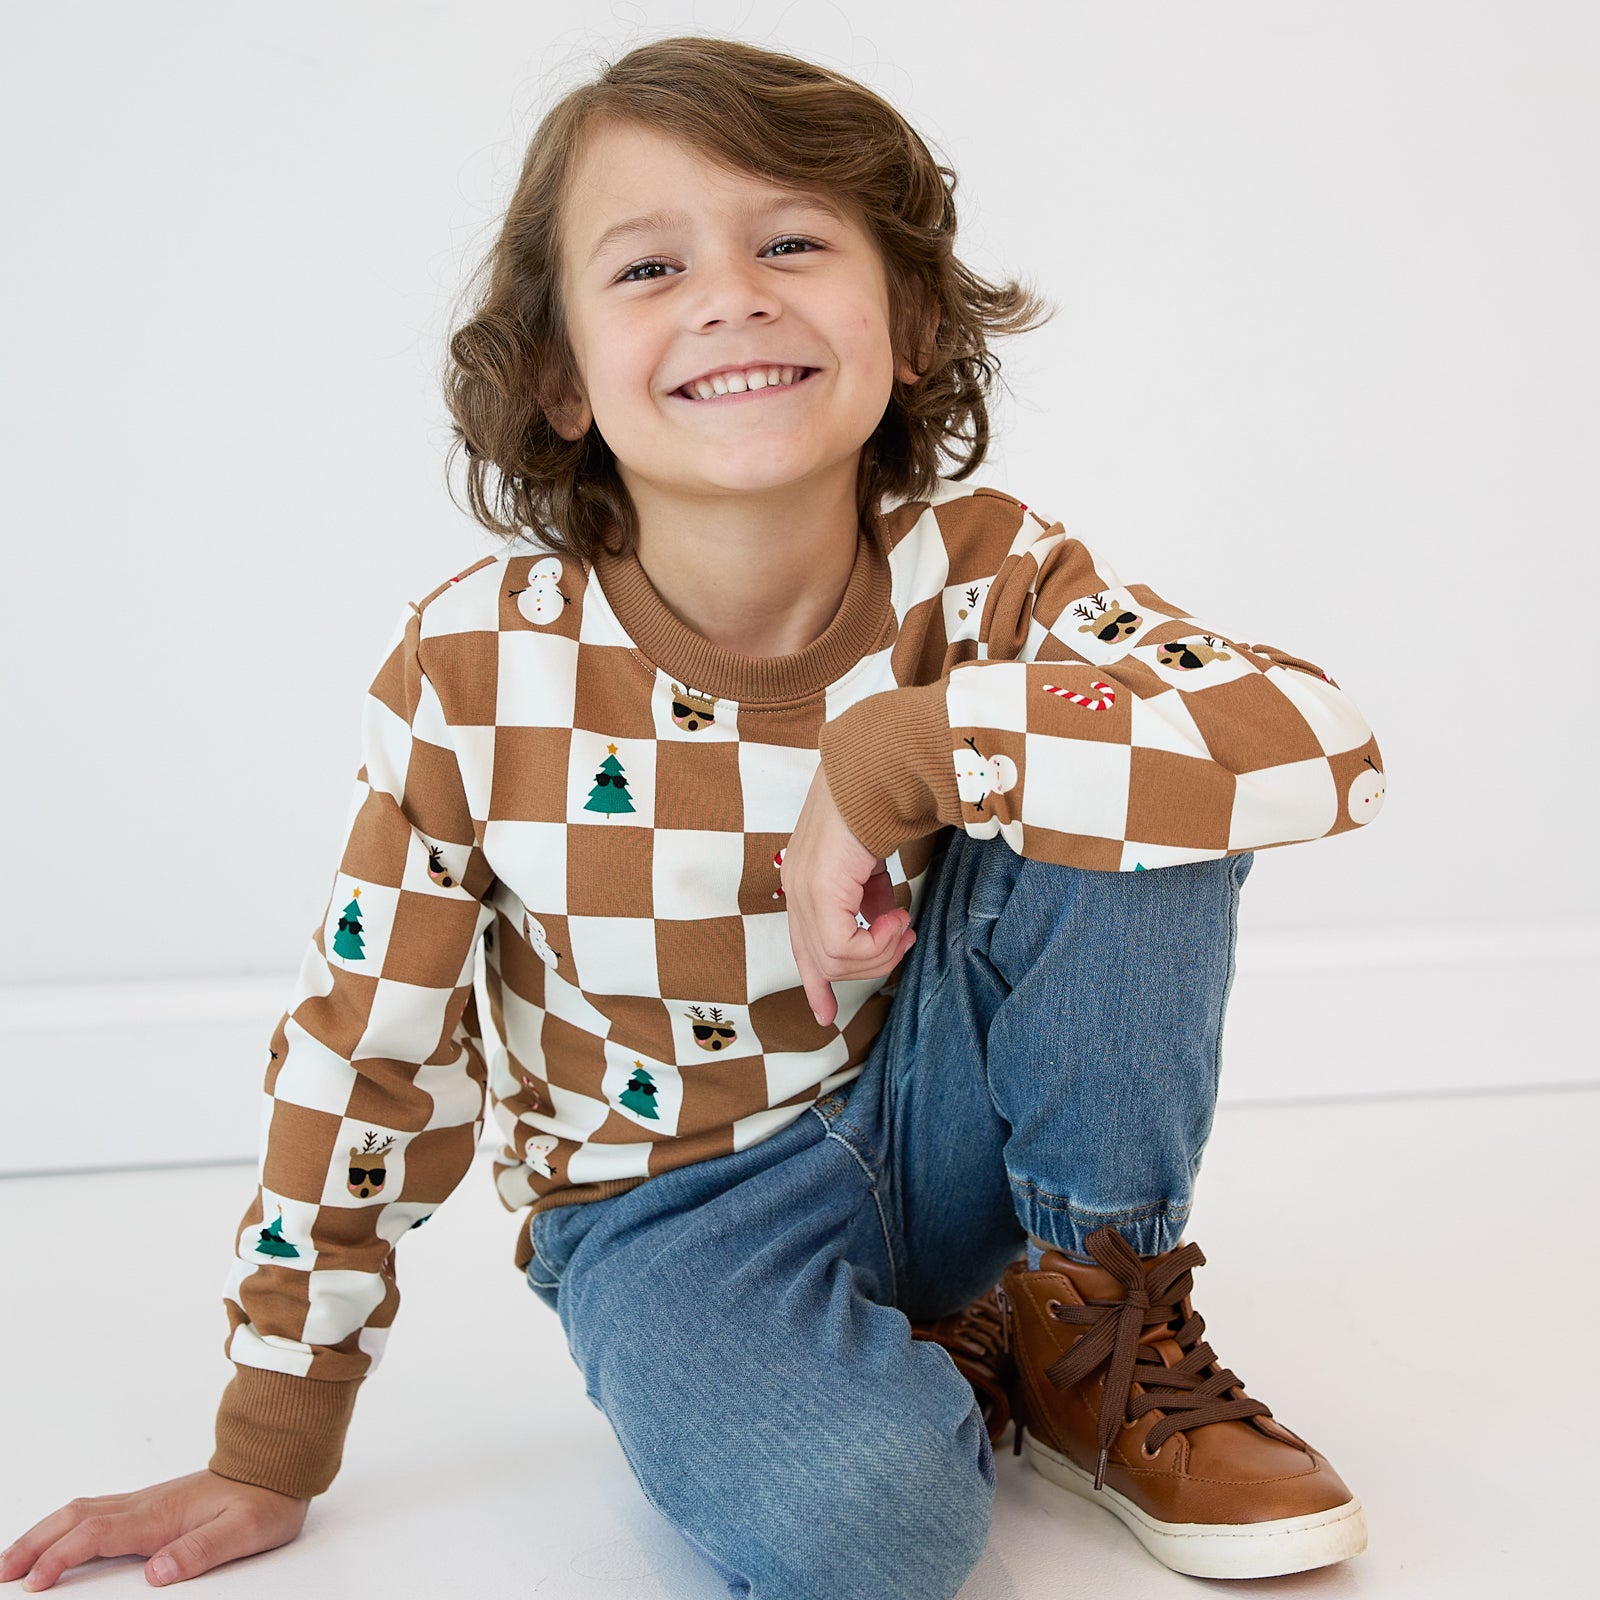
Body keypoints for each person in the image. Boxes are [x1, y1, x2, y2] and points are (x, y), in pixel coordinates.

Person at [1, 35, 1386, 1598]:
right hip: (669, 1215)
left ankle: (1090, 1321)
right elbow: (370, 1048)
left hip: (945, 1126)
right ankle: (919, 1371)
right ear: (561, 378)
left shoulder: (997, 578)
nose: (732, 296)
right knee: (873, 1537)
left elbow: (1309, 742)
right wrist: (272, 1438)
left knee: (1148, 771)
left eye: (793, 241)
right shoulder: (477, 667)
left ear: (912, 323)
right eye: (651, 266)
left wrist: (900, 750)